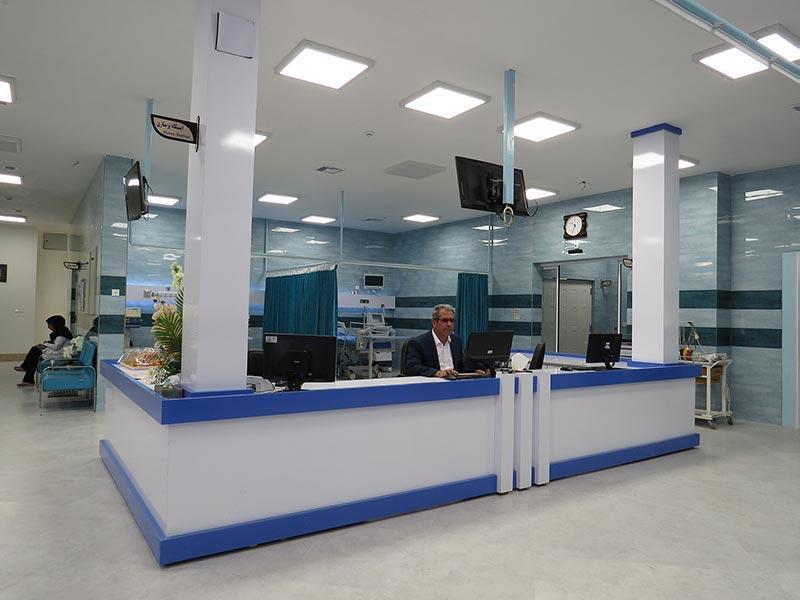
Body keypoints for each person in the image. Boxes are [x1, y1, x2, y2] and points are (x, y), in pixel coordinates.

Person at [405, 304, 467, 378]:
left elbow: (461, 365)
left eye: (452, 320)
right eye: (445, 320)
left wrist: (474, 369)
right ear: (434, 323)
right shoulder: (419, 343)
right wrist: (436, 372)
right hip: (433, 382)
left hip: (455, 382)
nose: (449, 324)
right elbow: (412, 367)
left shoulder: (456, 340)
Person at [14, 315, 73, 387]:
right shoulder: (60, 332)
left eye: (49, 325)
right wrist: (47, 343)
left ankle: (27, 373)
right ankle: (27, 376)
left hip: (58, 356)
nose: (48, 327)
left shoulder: (62, 335)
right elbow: (56, 344)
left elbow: (56, 347)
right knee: (34, 352)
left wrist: (46, 344)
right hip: (55, 353)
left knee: (35, 351)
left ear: (55, 324)